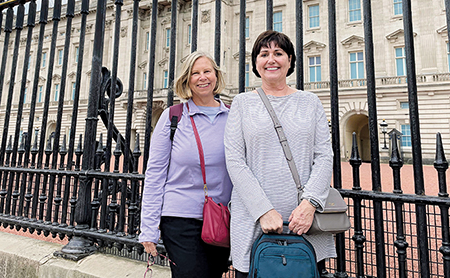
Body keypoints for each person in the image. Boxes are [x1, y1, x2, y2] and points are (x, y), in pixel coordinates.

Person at [224, 30, 336, 277]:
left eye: (278, 53)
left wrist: (310, 205)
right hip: (254, 219)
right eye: (264, 54)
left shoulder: (310, 102)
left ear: (290, 60)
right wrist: (263, 210)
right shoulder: (242, 103)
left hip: (305, 222)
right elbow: (234, 160)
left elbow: (324, 156)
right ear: (255, 63)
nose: (271, 59)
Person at [139, 51, 232, 278]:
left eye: (207, 71)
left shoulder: (233, 115)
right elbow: (155, 175)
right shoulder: (173, 117)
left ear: (216, 77)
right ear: (186, 80)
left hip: (222, 217)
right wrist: (148, 229)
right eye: (195, 73)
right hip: (180, 218)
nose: (202, 77)